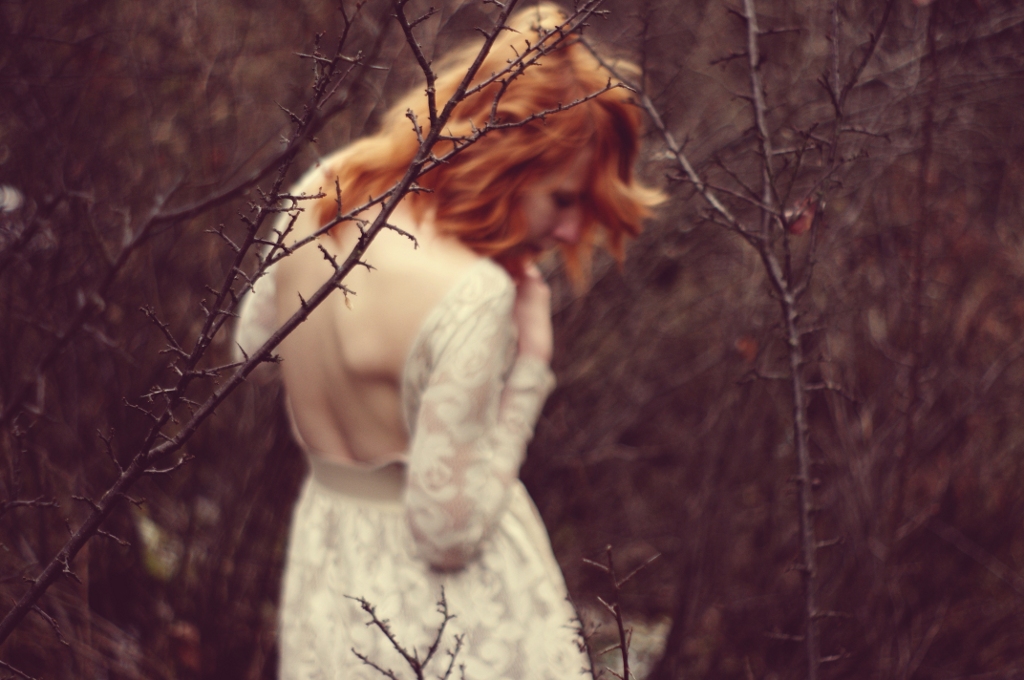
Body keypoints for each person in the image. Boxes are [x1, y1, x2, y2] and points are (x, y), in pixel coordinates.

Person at [234, 3, 662, 678]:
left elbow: (250, 348)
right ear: (505, 155)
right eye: (564, 199)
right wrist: (531, 370)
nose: (571, 234)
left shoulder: (331, 185)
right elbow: (447, 536)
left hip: (327, 561)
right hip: (446, 614)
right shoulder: (473, 293)